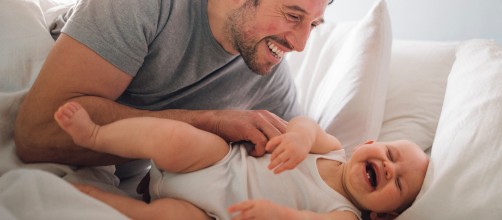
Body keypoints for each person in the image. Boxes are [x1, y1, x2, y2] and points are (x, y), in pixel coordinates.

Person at [14, 0, 346, 178]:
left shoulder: (266, 73)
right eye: (292, 16)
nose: (300, 44)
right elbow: (37, 135)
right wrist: (211, 123)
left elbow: (312, 156)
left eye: (313, 26)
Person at [54, 101, 429, 220]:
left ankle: (95, 197)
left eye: (398, 183)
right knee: (172, 137)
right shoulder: (332, 150)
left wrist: (275, 214)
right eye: (391, 154)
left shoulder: (344, 213)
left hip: (209, 210)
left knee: (164, 218)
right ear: (369, 142)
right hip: (213, 162)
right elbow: (306, 125)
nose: (389, 168)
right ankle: (96, 136)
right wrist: (299, 137)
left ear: (383, 215)